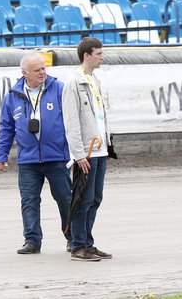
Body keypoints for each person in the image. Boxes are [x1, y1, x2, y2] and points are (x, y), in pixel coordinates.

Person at [0, 51, 72, 254]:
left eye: (44, 68)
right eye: (37, 70)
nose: (42, 73)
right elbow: (6, 128)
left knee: (65, 199)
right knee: (29, 200)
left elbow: (73, 121)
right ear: (24, 73)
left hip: (57, 157)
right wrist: (1, 155)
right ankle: (32, 240)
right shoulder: (12, 96)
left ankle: (73, 238)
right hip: (28, 160)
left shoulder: (59, 89)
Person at [62, 37, 114, 262]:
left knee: (95, 198)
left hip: (100, 150)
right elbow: (71, 122)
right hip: (87, 152)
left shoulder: (94, 79)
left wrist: (108, 144)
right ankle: (78, 245)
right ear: (87, 55)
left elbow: (102, 117)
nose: (102, 57)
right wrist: (79, 154)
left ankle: (88, 243)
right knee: (83, 199)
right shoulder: (73, 83)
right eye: (99, 53)